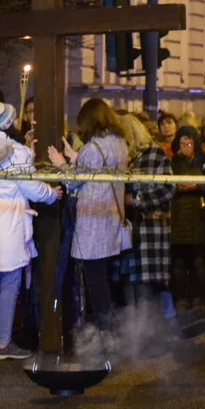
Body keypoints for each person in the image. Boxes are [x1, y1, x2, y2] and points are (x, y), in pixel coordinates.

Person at [0, 103, 62, 359]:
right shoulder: (17, 152)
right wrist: (51, 194)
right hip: (9, 222)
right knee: (10, 284)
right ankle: (3, 345)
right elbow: (29, 187)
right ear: (8, 123)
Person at [48, 99, 130, 345]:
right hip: (111, 216)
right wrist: (77, 158)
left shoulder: (92, 147)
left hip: (93, 220)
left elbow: (74, 182)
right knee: (104, 277)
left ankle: (106, 332)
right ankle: (111, 328)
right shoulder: (119, 143)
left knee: (95, 280)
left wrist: (62, 165)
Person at [117, 115, 175, 312]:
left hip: (148, 230)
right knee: (127, 286)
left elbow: (168, 189)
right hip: (127, 232)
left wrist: (135, 199)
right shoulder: (123, 156)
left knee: (145, 291)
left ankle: (151, 337)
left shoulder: (155, 154)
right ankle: (134, 337)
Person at [170, 126, 205, 312]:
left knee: (199, 263)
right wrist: (177, 186)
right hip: (178, 218)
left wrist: (198, 184)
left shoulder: (204, 162)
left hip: (199, 218)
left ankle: (199, 299)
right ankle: (180, 299)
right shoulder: (172, 162)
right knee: (178, 263)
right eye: (182, 142)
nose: (186, 146)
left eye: (190, 142)